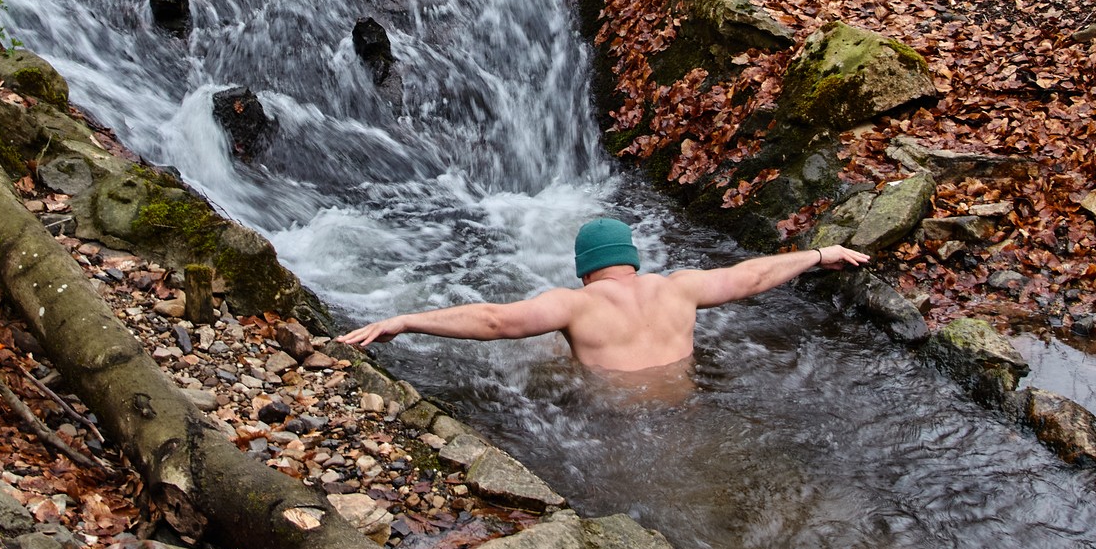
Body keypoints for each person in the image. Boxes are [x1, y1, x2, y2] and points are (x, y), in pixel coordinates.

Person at [336, 218, 870, 373]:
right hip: (685, 409)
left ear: (584, 270)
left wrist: (405, 320)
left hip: (614, 427)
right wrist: (820, 255)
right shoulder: (678, 288)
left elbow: (496, 321)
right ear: (632, 258)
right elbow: (749, 275)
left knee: (552, 359)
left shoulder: (576, 305)